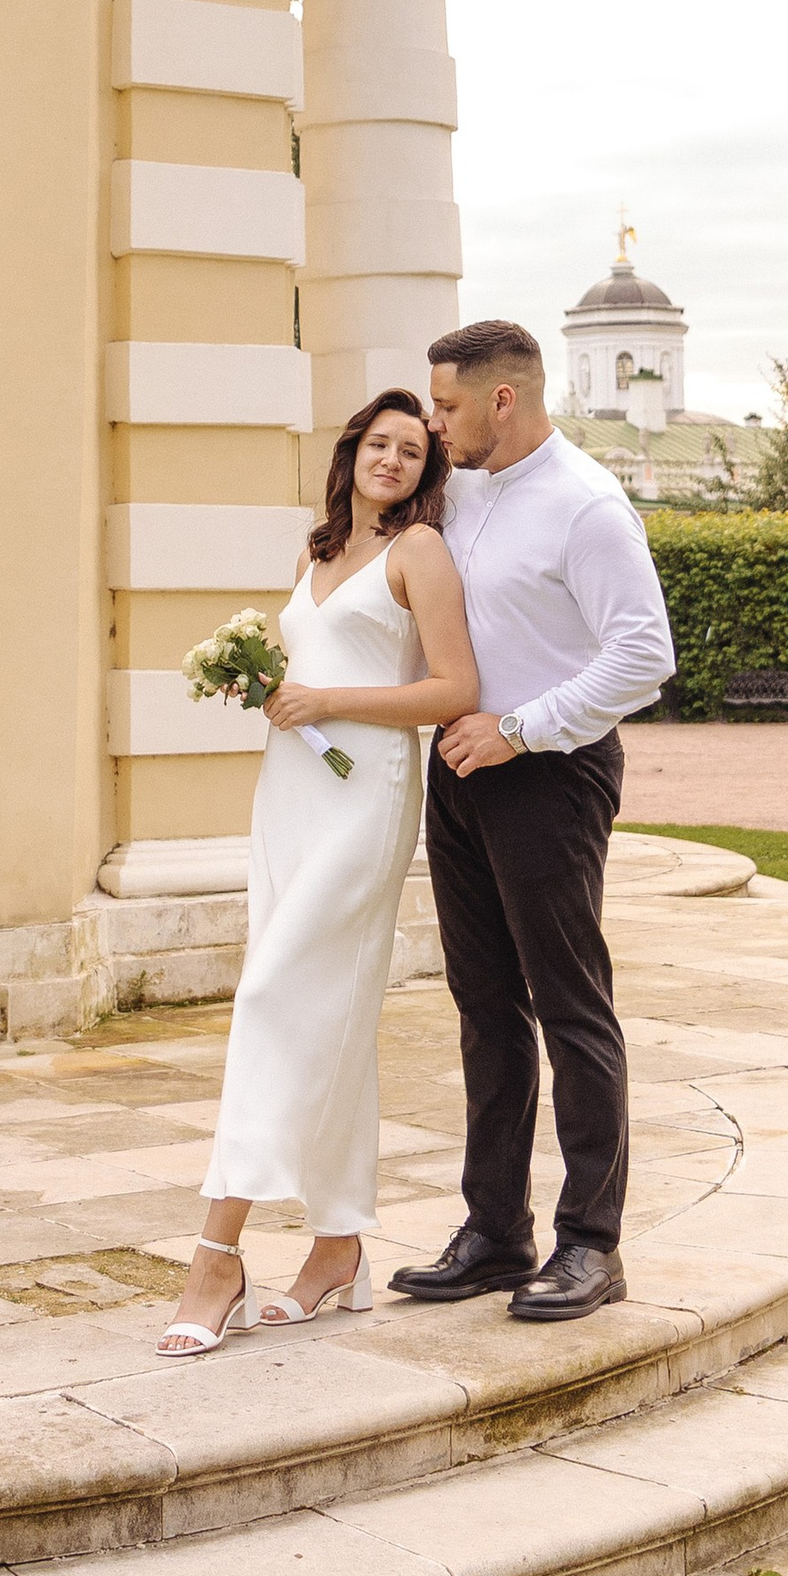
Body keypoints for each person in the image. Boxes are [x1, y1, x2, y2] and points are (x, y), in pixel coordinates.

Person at [157, 391, 479, 1357]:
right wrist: (262, 688)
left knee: (271, 996)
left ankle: (217, 1253)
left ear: (425, 471)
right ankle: (338, 1245)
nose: (392, 460)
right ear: (352, 453)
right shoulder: (315, 551)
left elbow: (454, 689)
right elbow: (305, 673)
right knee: (332, 1017)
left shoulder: (419, 553)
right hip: (291, 791)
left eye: (412, 451)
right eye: (379, 443)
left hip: (366, 795)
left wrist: (327, 698)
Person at [390, 319, 675, 1324]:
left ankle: (592, 1242)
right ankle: (495, 1232)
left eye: (448, 405)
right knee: (483, 1004)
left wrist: (521, 729)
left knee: (569, 1004)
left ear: (501, 398)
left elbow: (642, 654)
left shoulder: (586, 506)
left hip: (550, 772)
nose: (436, 422)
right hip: (459, 769)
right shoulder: (459, 490)